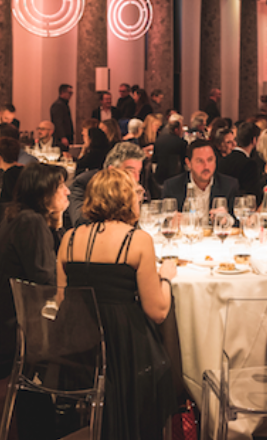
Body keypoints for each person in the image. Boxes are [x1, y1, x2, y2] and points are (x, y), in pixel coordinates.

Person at [58, 168, 176, 439]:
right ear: (126, 199)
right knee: (166, 363)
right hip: (124, 350)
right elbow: (158, 311)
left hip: (79, 351)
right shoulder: (137, 240)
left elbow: (62, 300)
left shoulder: (69, 238)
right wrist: (166, 278)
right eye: (135, 193)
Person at [0, 163, 68, 369]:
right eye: (60, 187)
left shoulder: (17, 216)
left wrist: (57, 223)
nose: (67, 191)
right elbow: (46, 280)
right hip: (16, 325)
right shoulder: (31, 222)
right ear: (44, 194)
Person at [69, 143, 161, 228]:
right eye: (130, 171)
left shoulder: (137, 187)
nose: (136, 178)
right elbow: (81, 222)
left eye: (139, 172)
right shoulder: (84, 183)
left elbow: (150, 213)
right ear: (112, 170)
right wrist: (124, 201)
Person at [161, 139, 240, 212]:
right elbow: (164, 217)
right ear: (188, 163)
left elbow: (237, 217)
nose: (206, 166)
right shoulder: (172, 187)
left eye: (210, 160)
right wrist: (172, 219)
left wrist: (227, 219)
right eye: (200, 161)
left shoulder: (229, 185)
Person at [152, 115, 188, 183]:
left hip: (159, 176)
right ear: (176, 130)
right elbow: (184, 162)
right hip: (176, 176)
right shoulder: (181, 142)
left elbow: (154, 161)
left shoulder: (159, 140)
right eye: (181, 129)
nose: (182, 131)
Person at [50, 83, 75, 149]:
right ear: (62, 92)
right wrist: (62, 137)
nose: (71, 95)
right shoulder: (58, 105)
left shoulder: (63, 104)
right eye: (69, 93)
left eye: (72, 93)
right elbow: (58, 122)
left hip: (66, 136)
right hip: (61, 138)